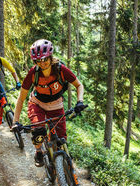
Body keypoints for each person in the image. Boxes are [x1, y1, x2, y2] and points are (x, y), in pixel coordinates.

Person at [12, 39, 85, 167]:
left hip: (56, 105)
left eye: (45, 59)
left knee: (61, 139)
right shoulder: (33, 74)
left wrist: (80, 101)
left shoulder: (61, 69)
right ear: (35, 61)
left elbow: (79, 85)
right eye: (39, 60)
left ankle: (61, 164)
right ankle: (39, 151)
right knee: (38, 131)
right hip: (37, 104)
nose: (43, 63)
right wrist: (15, 122)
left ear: (51, 57)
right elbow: (21, 98)